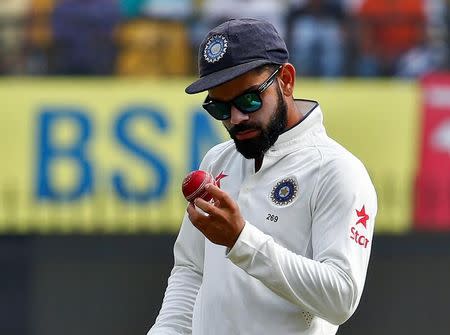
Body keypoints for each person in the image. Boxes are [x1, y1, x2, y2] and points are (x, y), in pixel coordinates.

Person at [148, 18, 377, 335]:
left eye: (249, 99)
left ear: (286, 80)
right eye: (220, 109)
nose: (237, 119)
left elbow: (341, 297)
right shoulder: (217, 159)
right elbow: (191, 270)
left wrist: (241, 240)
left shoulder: (337, 170)